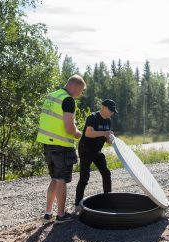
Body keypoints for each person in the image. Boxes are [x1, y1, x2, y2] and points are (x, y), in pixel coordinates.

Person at [36, 74, 85, 224]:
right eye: (80, 90)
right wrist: (78, 134)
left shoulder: (51, 96)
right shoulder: (68, 100)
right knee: (62, 179)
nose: (79, 94)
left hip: (47, 144)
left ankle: (47, 213)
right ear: (74, 86)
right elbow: (69, 128)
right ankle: (61, 215)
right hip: (61, 145)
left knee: (55, 179)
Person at [74, 99, 117, 209]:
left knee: (106, 173)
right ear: (103, 107)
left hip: (97, 151)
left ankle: (108, 199)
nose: (112, 113)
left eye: (113, 111)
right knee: (84, 177)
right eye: (110, 110)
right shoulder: (93, 117)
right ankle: (77, 204)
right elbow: (88, 133)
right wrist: (104, 133)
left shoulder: (108, 120)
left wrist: (110, 139)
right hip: (86, 150)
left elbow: (106, 139)